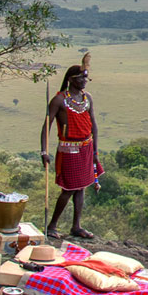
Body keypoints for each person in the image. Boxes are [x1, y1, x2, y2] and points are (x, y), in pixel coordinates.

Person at [41, 52, 101, 240]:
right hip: (69, 149)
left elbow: (93, 125)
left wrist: (95, 151)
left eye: (86, 78)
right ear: (70, 79)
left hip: (86, 147)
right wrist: (44, 151)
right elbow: (47, 125)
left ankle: (76, 226)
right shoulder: (59, 100)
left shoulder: (87, 98)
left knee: (81, 187)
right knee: (69, 189)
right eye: (81, 78)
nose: (84, 81)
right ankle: (52, 225)